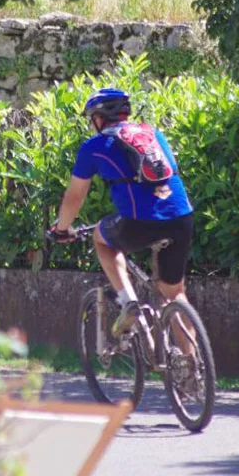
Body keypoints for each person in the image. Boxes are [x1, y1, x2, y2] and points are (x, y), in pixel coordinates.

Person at [50, 88, 194, 338]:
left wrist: (62, 228)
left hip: (138, 222)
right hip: (181, 217)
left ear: (98, 118)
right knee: (175, 294)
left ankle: (129, 303)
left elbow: (75, 197)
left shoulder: (94, 146)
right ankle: (193, 367)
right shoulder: (154, 134)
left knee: (100, 237)